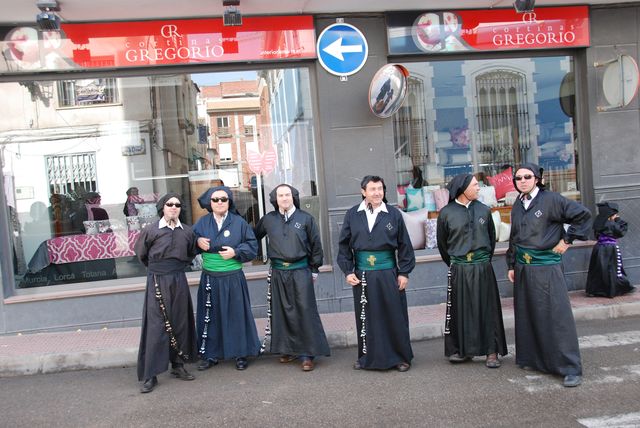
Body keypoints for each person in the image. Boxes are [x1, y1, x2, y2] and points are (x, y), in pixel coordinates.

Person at [506, 163, 592, 388]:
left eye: (527, 177)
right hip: (524, 267)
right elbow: (514, 236)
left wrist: (567, 241)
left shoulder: (551, 200)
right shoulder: (518, 203)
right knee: (529, 314)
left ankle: (569, 367)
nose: (522, 181)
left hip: (546, 267)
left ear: (537, 178)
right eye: (518, 178)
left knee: (556, 316)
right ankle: (535, 359)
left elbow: (583, 215)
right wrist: (512, 264)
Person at [337, 175, 414, 372]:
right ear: (363, 192)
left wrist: (404, 272)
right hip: (362, 274)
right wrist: (347, 271)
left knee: (394, 315)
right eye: (372, 189)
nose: (377, 193)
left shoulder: (393, 215)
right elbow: (344, 245)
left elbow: (405, 245)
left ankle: (400, 358)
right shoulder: (353, 214)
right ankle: (366, 357)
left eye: (380, 189)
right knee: (366, 317)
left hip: (388, 273)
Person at [255, 183, 330, 372]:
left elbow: (316, 245)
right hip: (278, 272)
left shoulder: (305, 219)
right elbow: (252, 236)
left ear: (293, 196)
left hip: (301, 271)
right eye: (280, 195)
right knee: (281, 311)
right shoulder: (268, 220)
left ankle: (307, 354)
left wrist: (314, 268)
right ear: (275, 199)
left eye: (287, 194)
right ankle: (287, 349)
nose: (284, 198)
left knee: (304, 311)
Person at [437, 174, 507, 368]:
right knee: (460, 310)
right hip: (459, 268)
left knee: (488, 308)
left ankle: (491, 351)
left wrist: (481, 260)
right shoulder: (446, 213)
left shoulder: (484, 210)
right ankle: (461, 349)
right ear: (462, 188)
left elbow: (491, 240)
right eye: (475, 185)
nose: (478, 188)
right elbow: (443, 245)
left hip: (482, 266)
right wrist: (458, 262)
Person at [134, 192, 198, 393]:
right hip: (157, 279)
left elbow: (190, 254)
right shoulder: (151, 231)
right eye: (169, 204)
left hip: (178, 278)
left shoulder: (186, 232)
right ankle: (150, 374)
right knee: (156, 325)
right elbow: (142, 255)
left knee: (180, 321)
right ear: (162, 207)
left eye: (177, 205)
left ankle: (178, 365)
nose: (173, 207)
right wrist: (159, 271)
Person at [193, 185, 261, 371]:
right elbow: (189, 244)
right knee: (210, 317)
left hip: (233, 277)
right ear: (209, 203)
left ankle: (240, 353)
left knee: (237, 315)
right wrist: (196, 242)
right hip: (210, 277)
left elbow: (252, 246)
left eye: (223, 199)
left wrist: (236, 251)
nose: (220, 202)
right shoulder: (201, 223)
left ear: (229, 202)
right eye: (215, 200)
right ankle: (210, 354)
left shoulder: (239, 223)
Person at [585, 202, 635, 297]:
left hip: (599, 248)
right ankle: (612, 290)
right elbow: (621, 231)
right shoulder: (611, 224)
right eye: (614, 214)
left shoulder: (598, 222)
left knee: (599, 269)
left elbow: (596, 235)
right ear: (610, 214)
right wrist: (618, 219)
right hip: (610, 249)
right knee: (612, 269)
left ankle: (596, 290)